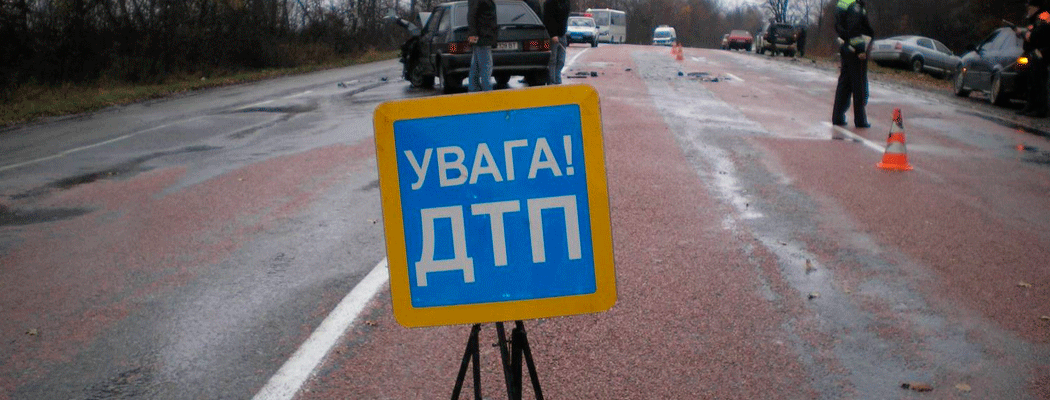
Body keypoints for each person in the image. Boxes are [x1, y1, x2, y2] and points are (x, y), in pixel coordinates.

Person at [832, 0, 874, 128]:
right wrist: (860, 49)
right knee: (859, 84)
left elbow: (839, 26)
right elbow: (855, 28)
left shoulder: (843, 3)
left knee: (844, 84)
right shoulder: (855, 6)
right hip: (856, 50)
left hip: (846, 47)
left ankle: (838, 117)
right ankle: (860, 120)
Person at [1016, 0, 1050, 117]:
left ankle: (1040, 109)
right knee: (1032, 82)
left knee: (1039, 83)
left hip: (1042, 54)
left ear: (1036, 7)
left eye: (1029, 7)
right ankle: (1030, 107)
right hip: (1034, 54)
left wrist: (1025, 34)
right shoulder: (1034, 19)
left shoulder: (1044, 16)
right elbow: (1031, 34)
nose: (1028, 9)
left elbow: (1037, 35)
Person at [467, 0, 498, 92]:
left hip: (483, 35)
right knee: (486, 65)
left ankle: (473, 89)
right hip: (483, 36)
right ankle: (487, 91)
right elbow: (472, 15)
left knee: (476, 65)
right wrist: (473, 34)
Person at [543, 0, 570, 85]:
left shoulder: (566, 3)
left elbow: (565, 19)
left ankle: (557, 78)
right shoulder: (549, 3)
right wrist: (552, 34)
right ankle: (552, 80)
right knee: (552, 60)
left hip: (562, 34)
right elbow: (548, 19)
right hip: (553, 35)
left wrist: (564, 32)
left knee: (561, 60)